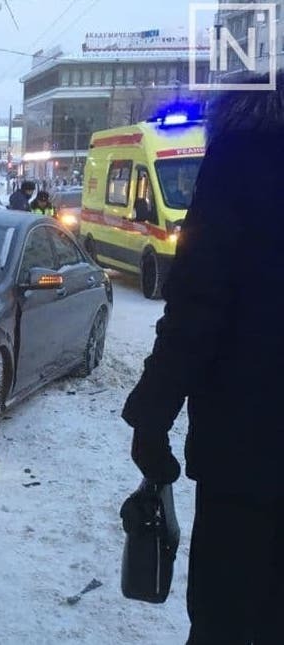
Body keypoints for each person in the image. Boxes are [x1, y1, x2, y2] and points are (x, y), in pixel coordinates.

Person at [122, 71, 284, 644]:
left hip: (248, 452)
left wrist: (151, 417)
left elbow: (197, 308)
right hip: (248, 449)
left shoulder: (243, 158)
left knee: (228, 616)